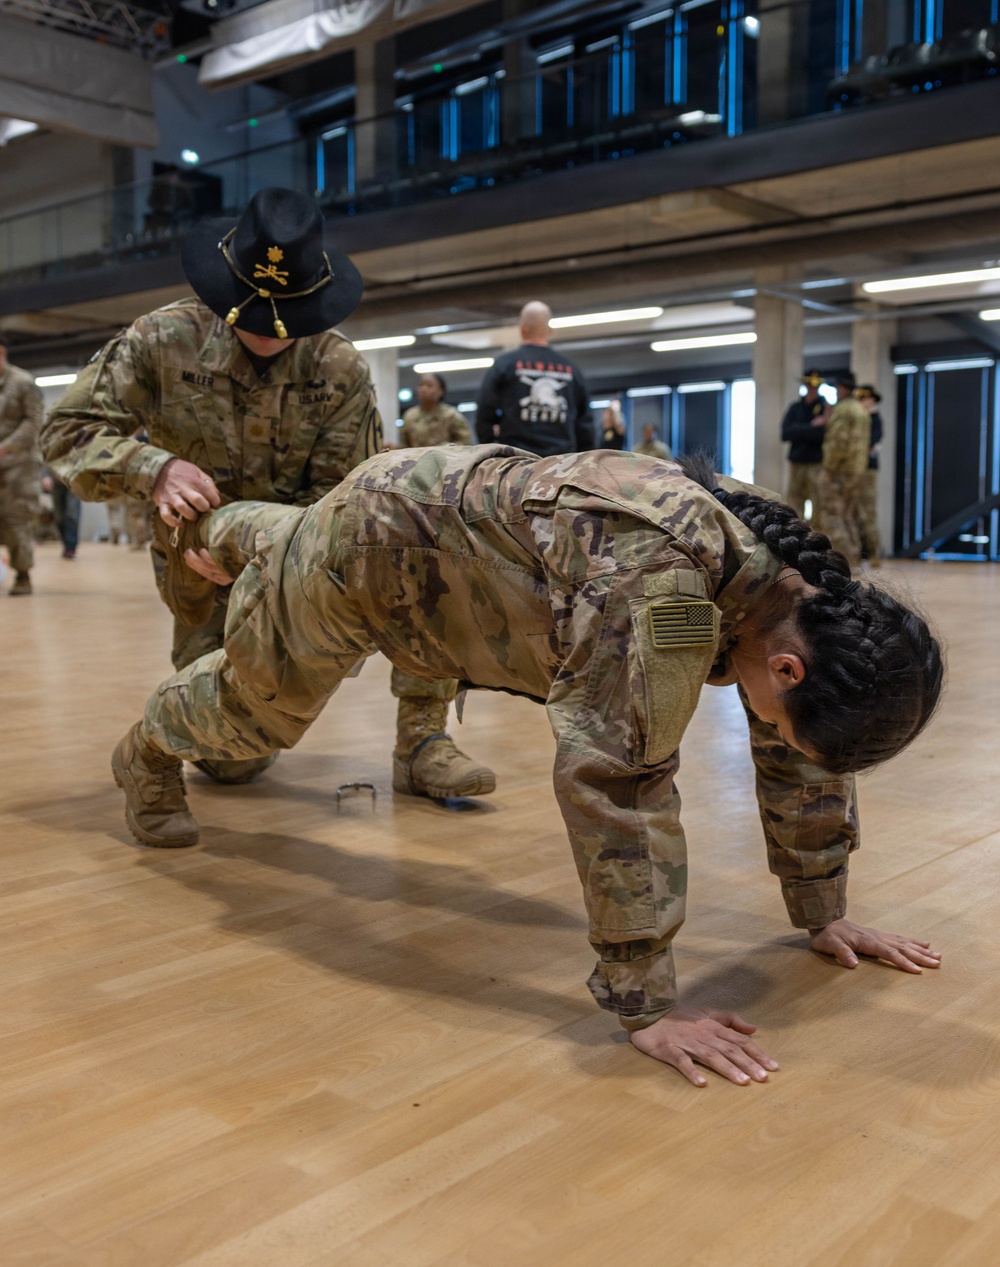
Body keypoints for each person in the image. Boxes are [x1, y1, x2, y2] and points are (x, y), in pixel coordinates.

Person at [111, 445, 943, 1087]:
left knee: (281, 540)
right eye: (784, 724)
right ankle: (145, 748)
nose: (775, 738)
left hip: (446, 533)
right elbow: (617, 779)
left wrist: (823, 910)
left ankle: (230, 532)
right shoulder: (660, 586)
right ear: (788, 669)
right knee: (251, 717)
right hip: (372, 557)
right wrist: (644, 1003)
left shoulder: (809, 601)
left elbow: (802, 759)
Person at [42, 186, 494, 799]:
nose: (269, 331)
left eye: (286, 316)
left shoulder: (340, 370)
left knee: (420, 548)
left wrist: (275, 562)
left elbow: (345, 497)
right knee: (233, 761)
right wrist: (154, 469)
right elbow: (69, 432)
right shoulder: (162, 338)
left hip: (298, 553)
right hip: (196, 560)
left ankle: (422, 740)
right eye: (253, 311)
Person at [475, 301, 594, 455]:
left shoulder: (504, 365)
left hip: (516, 462)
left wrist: (494, 451)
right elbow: (585, 424)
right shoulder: (571, 369)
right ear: (549, 330)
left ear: (522, 328)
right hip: (561, 464)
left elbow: (484, 414)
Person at [0, 334, 44, 595]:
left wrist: (6, 448)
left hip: (19, 466)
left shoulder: (23, 383)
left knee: (18, 518)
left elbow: (34, 421)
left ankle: (22, 574)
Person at [815, 372, 871, 568]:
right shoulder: (861, 410)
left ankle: (844, 560)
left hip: (838, 471)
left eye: (837, 388)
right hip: (856, 471)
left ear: (843, 388)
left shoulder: (843, 410)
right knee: (848, 515)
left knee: (832, 515)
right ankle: (855, 556)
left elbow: (838, 442)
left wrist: (828, 469)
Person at [781, 369, 828, 521]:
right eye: (809, 384)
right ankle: (794, 532)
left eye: (815, 385)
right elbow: (785, 433)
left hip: (816, 462)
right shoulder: (795, 408)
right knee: (794, 501)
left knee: (818, 502)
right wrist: (811, 427)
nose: (812, 388)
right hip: (797, 461)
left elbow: (823, 434)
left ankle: (816, 538)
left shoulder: (825, 407)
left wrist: (799, 429)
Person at [399, 373, 471, 447]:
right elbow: (404, 446)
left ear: (441, 391)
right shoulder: (410, 416)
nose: (423, 389)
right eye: (421, 385)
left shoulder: (451, 415)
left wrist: (448, 447)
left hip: (446, 457)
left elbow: (465, 442)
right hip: (416, 457)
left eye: (429, 385)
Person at [855, 384, 884, 567]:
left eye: (865, 398)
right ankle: (857, 553)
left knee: (868, 512)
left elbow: (871, 441)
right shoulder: (857, 418)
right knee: (853, 512)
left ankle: (874, 552)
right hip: (852, 469)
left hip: (867, 469)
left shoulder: (874, 419)